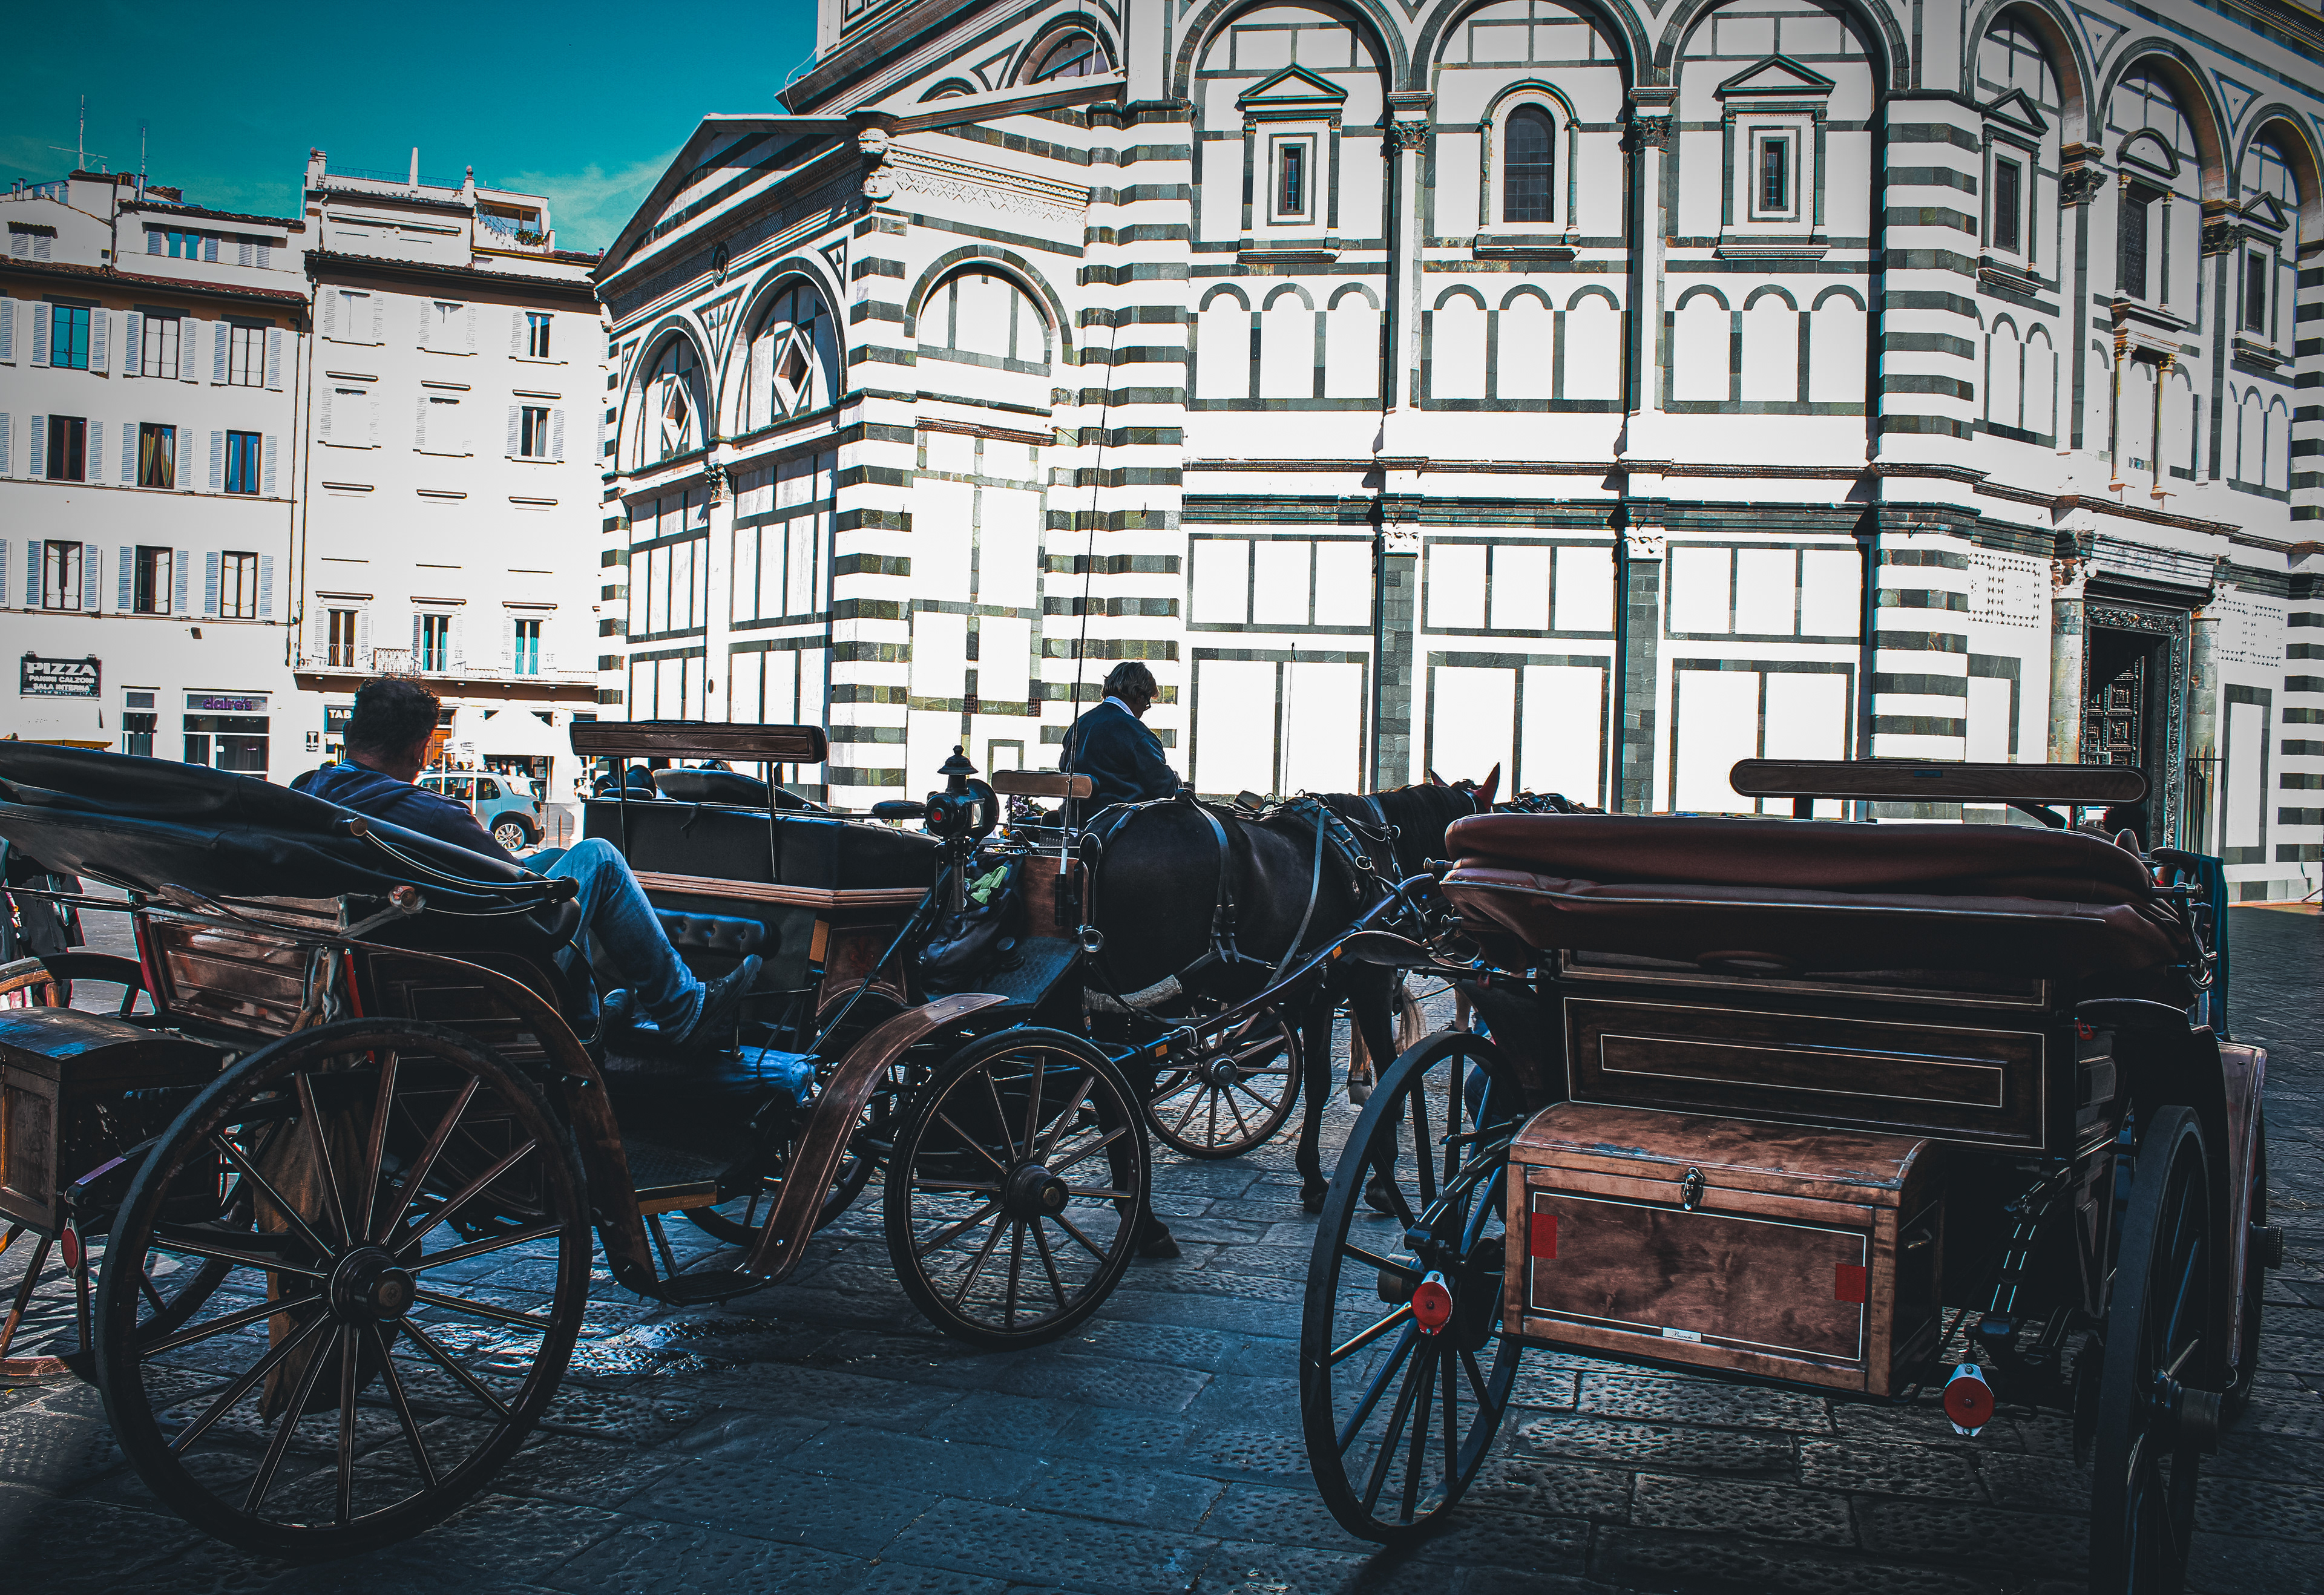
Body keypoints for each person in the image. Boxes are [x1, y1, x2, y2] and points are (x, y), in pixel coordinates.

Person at [295, 678, 758, 1053]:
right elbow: (517, 886)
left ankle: (590, 1013)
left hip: (378, 962)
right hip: (484, 975)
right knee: (599, 857)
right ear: (420, 749)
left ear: (350, 735)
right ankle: (682, 1008)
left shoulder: (310, 796)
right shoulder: (428, 814)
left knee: (557, 859)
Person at [1059, 661, 1183, 813]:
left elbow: (1065, 770)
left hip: (1073, 820)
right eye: (1147, 704)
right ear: (1139, 696)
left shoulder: (1078, 726)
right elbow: (1163, 788)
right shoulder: (1137, 733)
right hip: (1118, 822)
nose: (1144, 710)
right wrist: (1179, 783)